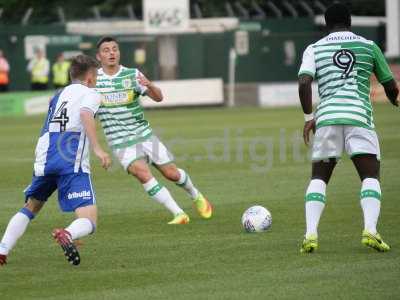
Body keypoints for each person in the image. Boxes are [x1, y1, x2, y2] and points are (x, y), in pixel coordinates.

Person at [297, 2, 399, 253]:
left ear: (326, 23)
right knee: (370, 176)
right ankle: (370, 230)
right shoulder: (368, 46)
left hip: (328, 119)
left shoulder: (315, 48)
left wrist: (309, 116)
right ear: (350, 22)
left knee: (319, 178)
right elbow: (389, 83)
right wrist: (394, 99)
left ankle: (310, 234)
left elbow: (304, 82)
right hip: (359, 118)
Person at [0, 55, 111, 266]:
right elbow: (86, 114)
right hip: (70, 160)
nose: (96, 80)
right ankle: (68, 233)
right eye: (95, 75)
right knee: (89, 219)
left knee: (31, 207)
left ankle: (2, 248)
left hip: (44, 158)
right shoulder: (91, 94)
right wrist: (98, 148)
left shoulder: (58, 94)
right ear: (89, 77)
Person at [95, 36, 212, 224]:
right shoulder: (94, 80)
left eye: (114, 49)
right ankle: (178, 213)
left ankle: (196, 195)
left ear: (119, 52)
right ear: (99, 56)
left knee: (171, 173)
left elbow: (159, 98)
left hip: (145, 136)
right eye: (106, 50)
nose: (111, 53)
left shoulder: (132, 74)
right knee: (142, 174)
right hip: (120, 142)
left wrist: (149, 85)